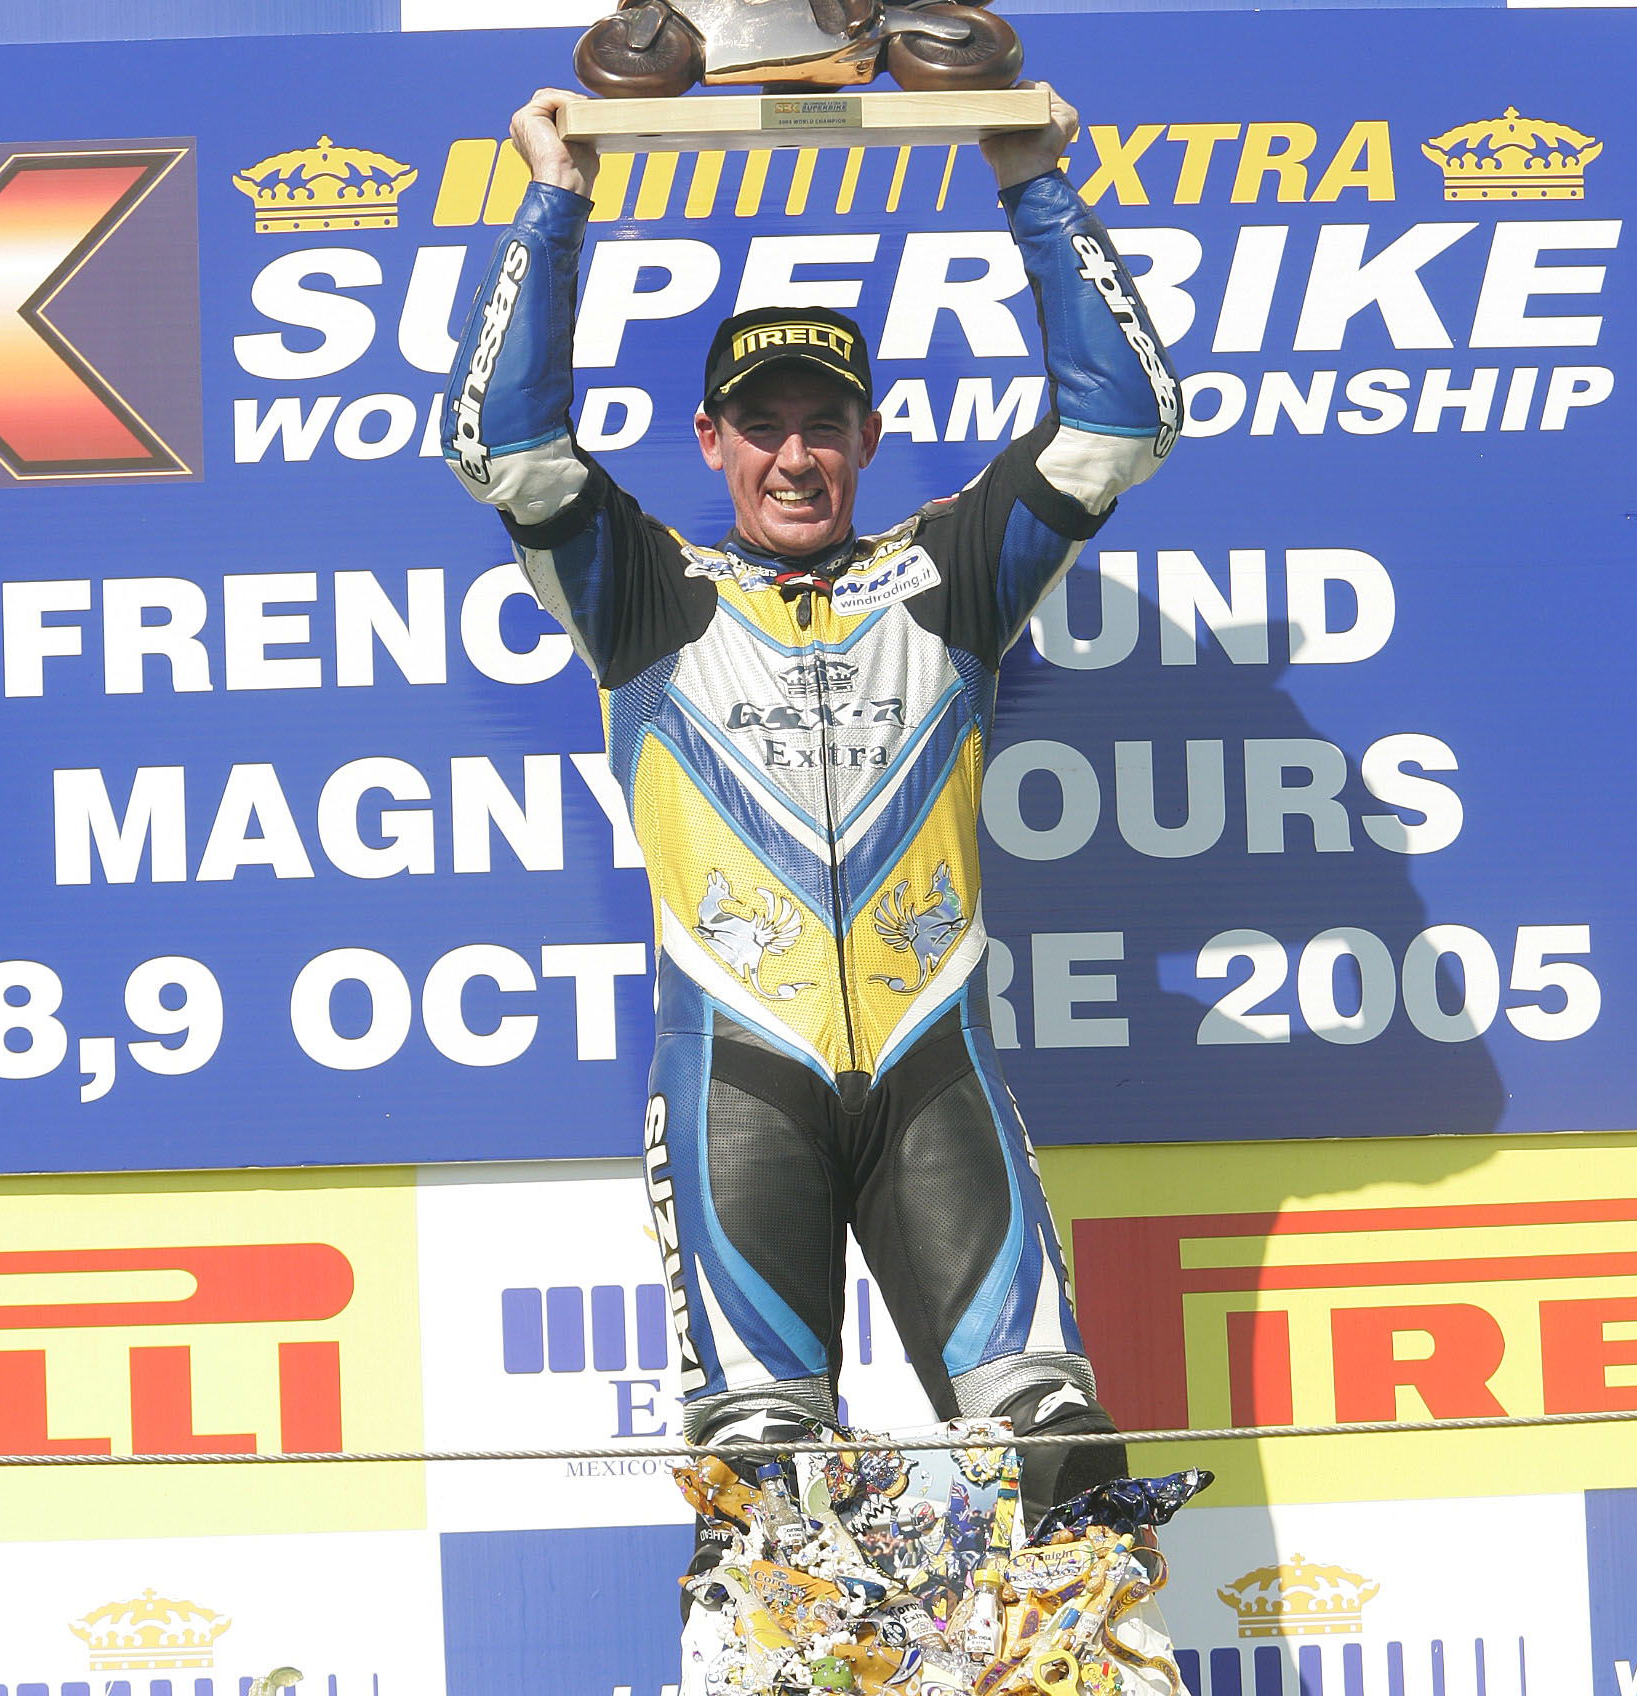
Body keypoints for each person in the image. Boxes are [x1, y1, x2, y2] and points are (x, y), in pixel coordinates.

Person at [443, 83, 1182, 1525]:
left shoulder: (952, 572)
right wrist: (555, 195)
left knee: (1058, 1457)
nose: (797, 456)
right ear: (710, 441)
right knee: (763, 1492)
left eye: (826, 424)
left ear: (871, 434)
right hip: (739, 1079)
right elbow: (505, 449)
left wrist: (1032, 177)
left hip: (937, 1075)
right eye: (764, 426)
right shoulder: (647, 591)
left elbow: (1123, 418)